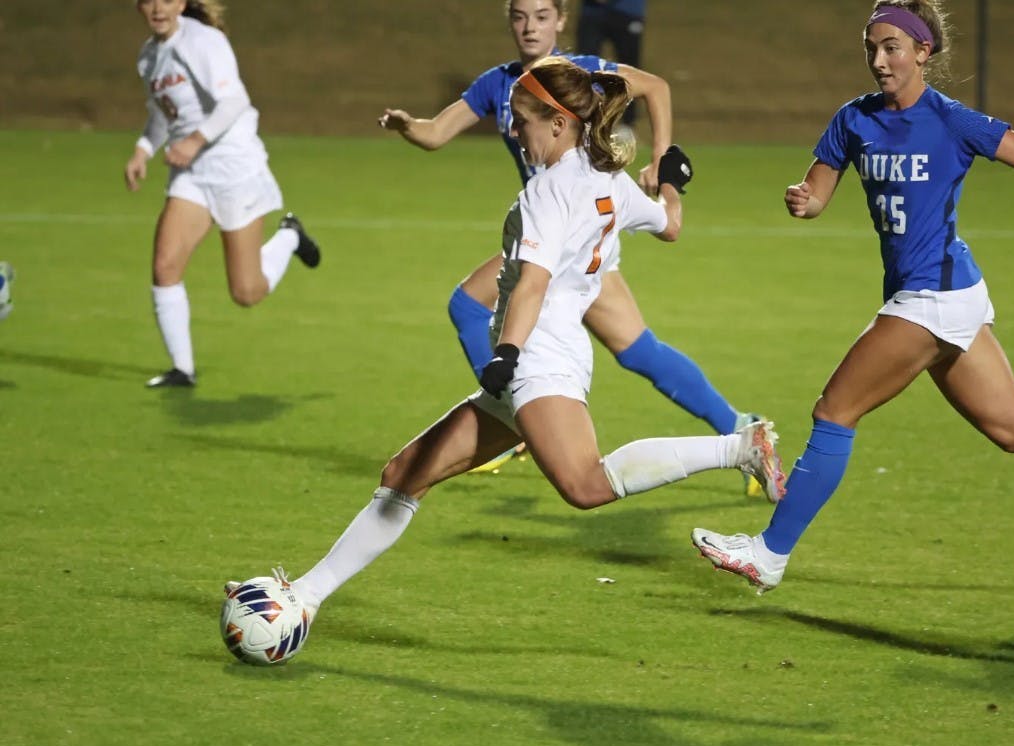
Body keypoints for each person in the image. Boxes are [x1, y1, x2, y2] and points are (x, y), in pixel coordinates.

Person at [226, 57, 787, 648]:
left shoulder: (550, 190)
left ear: (557, 121)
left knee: (585, 485)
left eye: (520, 121)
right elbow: (670, 225)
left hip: (540, 355)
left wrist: (507, 354)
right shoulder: (607, 179)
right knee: (404, 474)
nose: (513, 131)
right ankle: (305, 599)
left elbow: (533, 283)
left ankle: (740, 445)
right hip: (551, 350)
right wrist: (673, 177)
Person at [691, 0, 1014, 594]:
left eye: (892, 47)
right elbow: (818, 190)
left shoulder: (952, 120)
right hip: (942, 296)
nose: (879, 60)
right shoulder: (854, 119)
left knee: (834, 411)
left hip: (934, 296)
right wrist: (804, 200)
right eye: (871, 48)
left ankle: (768, 553)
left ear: (923, 51)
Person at [379, 0, 762, 456]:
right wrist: (407, 126)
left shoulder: (579, 74)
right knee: (636, 350)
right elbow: (437, 133)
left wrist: (660, 159)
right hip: (561, 236)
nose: (529, 27)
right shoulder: (500, 83)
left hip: (568, 236)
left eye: (542, 16)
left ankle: (509, 417)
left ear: (561, 21)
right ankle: (743, 428)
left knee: (468, 305)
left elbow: (655, 87)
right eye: (520, 16)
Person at [125, 0, 320, 388]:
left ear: (181, 3)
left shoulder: (204, 41)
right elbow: (162, 115)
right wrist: (143, 150)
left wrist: (195, 140)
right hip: (192, 172)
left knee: (246, 292)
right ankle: (183, 370)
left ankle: (289, 235)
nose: (159, 8)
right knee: (165, 267)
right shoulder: (149, 57)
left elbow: (234, 102)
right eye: (150, 0)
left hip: (234, 166)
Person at [576, 0, 647, 130]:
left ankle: (627, 125)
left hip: (627, 10)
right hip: (592, 10)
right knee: (583, 69)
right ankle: (585, 121)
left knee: (630, 69)